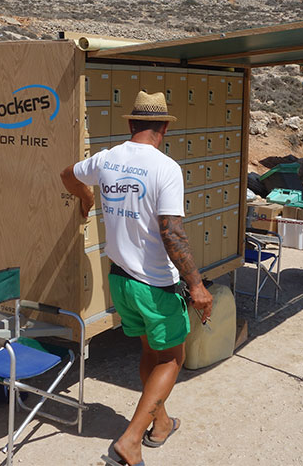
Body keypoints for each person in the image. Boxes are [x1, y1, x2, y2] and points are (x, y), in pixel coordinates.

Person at [60, 91, 213, 466]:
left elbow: (67, 174)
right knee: (172, 359)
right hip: (155, 284)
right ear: (163, 128)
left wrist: (85, 199)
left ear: (130, 124)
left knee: (150, 352)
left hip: (120, 280)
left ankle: (160, 424)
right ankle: (130, 441)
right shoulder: (165, 168)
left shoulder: (107, 159)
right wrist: (196, 285)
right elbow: (172, 233)